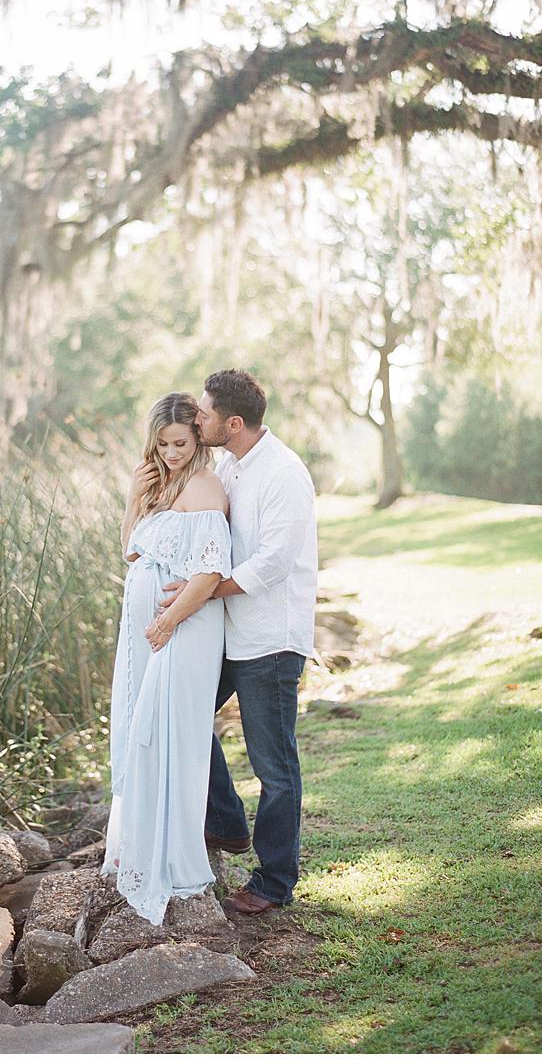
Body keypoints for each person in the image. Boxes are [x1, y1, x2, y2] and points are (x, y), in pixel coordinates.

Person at [166, 368, 317, 915]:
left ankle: (275, 882)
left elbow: (273, 564)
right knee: (178, 713)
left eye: (203, 413)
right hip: (228, 632)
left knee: (273, 767)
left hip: (270, 640)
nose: (195, 418)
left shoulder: (284, 473)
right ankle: (228, 823)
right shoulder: (227, 465)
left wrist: (202, 592)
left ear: (232, 422)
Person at [104, 392, 232, 925]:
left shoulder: (206, 486)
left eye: (180, 442)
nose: (172, 452)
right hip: (150, 632)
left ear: (198, 437)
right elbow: (131, 551)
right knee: (141, 725)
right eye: (162, 443)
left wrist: (168, 619)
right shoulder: (162, 482)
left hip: (184, 626)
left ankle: (177, 856)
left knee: (172, 732)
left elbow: (209, 571)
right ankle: (140, 841)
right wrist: (136, 497)